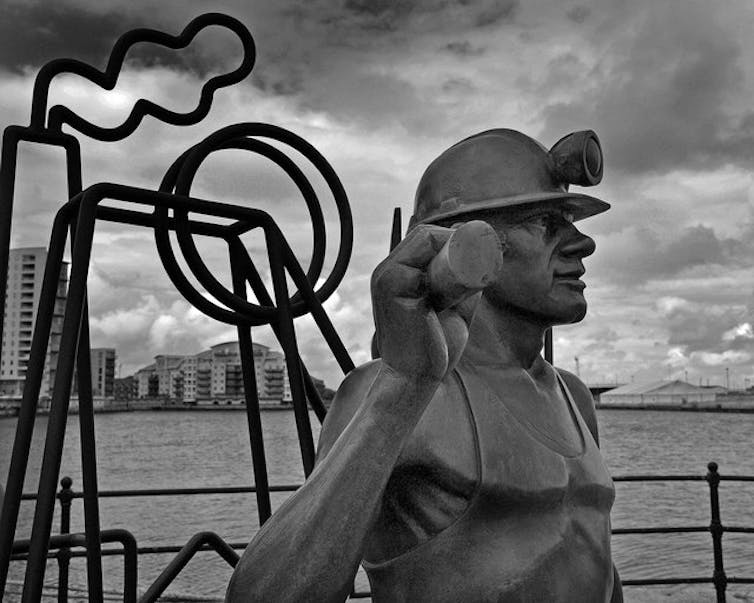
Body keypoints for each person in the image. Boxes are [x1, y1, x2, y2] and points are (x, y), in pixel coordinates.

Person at [226, 128, 623, 602]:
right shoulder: (393, 392)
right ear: (463, 242)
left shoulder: (573, 396)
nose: (583, 244)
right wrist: (405, 386)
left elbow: (595, 562)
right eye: (545, 223)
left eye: (572, 223)